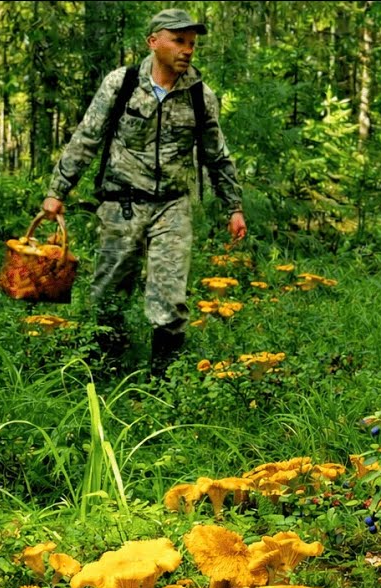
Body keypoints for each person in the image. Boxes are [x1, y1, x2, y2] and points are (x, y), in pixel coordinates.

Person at [40, 7, 246, 378]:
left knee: (170, 300)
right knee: (108, 296)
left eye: (192, 44)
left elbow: (217, 154)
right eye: (178, 41)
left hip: (172, 207)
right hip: (122, 204)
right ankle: (103, 375)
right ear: (153, 42)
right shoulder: (121, 84)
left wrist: (234, 207)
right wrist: (58, 191)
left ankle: (163, 384)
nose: (187, 50)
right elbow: (87, 138)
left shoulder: (200, 96)